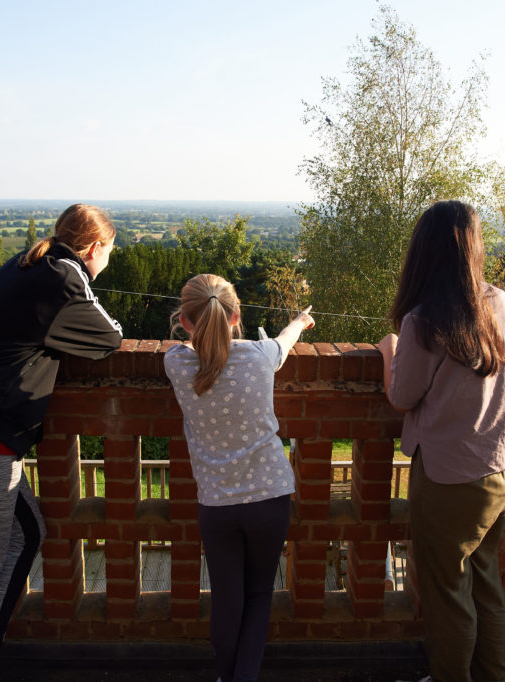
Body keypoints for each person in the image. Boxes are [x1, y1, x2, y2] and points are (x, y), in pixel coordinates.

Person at [0, 204, 123, 682]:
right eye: (110, 252)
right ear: (94, 246)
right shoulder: (65, 274)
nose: (108, 261)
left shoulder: (30, 262)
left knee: (25, 534)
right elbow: (109, 338)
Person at [377, 200, 505, 682]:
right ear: (473, 248)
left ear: (423, 252)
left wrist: (388, 351)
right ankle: (492, 675)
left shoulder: (423, 321)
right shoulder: (501, 303)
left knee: (448, 593)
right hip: (502, 471)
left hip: (450, 479)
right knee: (486, 583)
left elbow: (403, 396)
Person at [163, 274, 314, 682]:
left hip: (217, 503)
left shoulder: (176, 363)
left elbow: (201, 350)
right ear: (236, 316)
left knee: (227, 598)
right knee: (260, 593)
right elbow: (283, 343)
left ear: (185, 320)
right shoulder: (259, 356)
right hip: (270, 497)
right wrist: (300, 322)